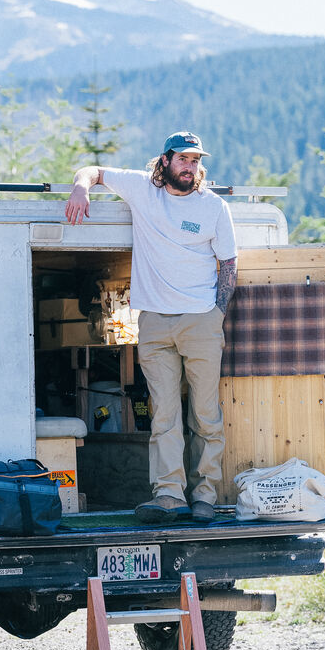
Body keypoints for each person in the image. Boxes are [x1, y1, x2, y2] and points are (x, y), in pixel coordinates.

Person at [64, 132, 237, 525]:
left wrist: (217, 313)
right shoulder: (142, 189)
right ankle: (170, 495)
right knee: (163, 415)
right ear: (165, 161)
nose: (190, 167)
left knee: (205, 414)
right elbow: (93, 170)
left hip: (201, 320)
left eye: (196, 160)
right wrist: (80, 189)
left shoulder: (214, 207)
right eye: (183, 159)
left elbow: (229, 262)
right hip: (155, 322)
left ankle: (205, 496)